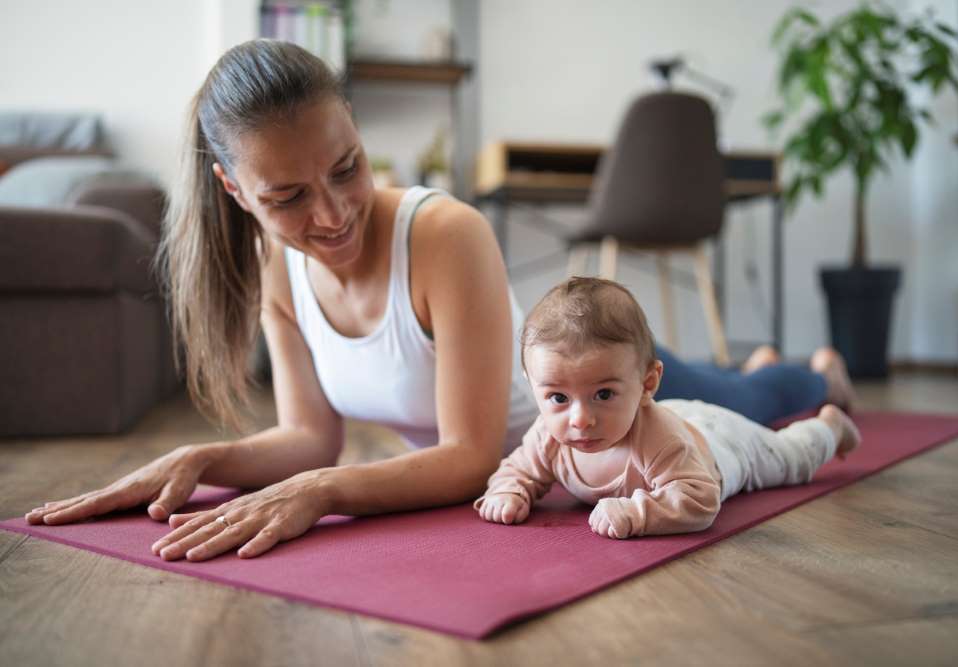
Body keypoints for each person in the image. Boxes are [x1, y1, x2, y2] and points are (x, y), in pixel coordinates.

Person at [24, 40, 855, 561]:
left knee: (761, 402)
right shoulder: (278, 271)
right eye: (286, 198)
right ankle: (772, 366)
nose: (333, 212)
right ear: (234, 191)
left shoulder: (444, 233)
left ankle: (808, 371)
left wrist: (327, 490)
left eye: (347, 167)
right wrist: (202, 461)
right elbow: (313, 435)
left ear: (355, 126)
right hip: (561, 435)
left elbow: (467, 454)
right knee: (744, 380)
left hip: (610, 420)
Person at [475, 277, 860, 538]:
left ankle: (829, 428)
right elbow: (518, 468)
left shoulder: (659, 441)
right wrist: (509, 492)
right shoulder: (548, 435)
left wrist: (635, 514)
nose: (579, 419)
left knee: (789, 457)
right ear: (533, 387)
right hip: (675, 416)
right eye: (558, 398)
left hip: (721, 442)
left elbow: (700, 499)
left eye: (604, 394)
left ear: (647, 384)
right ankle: (762, 369)